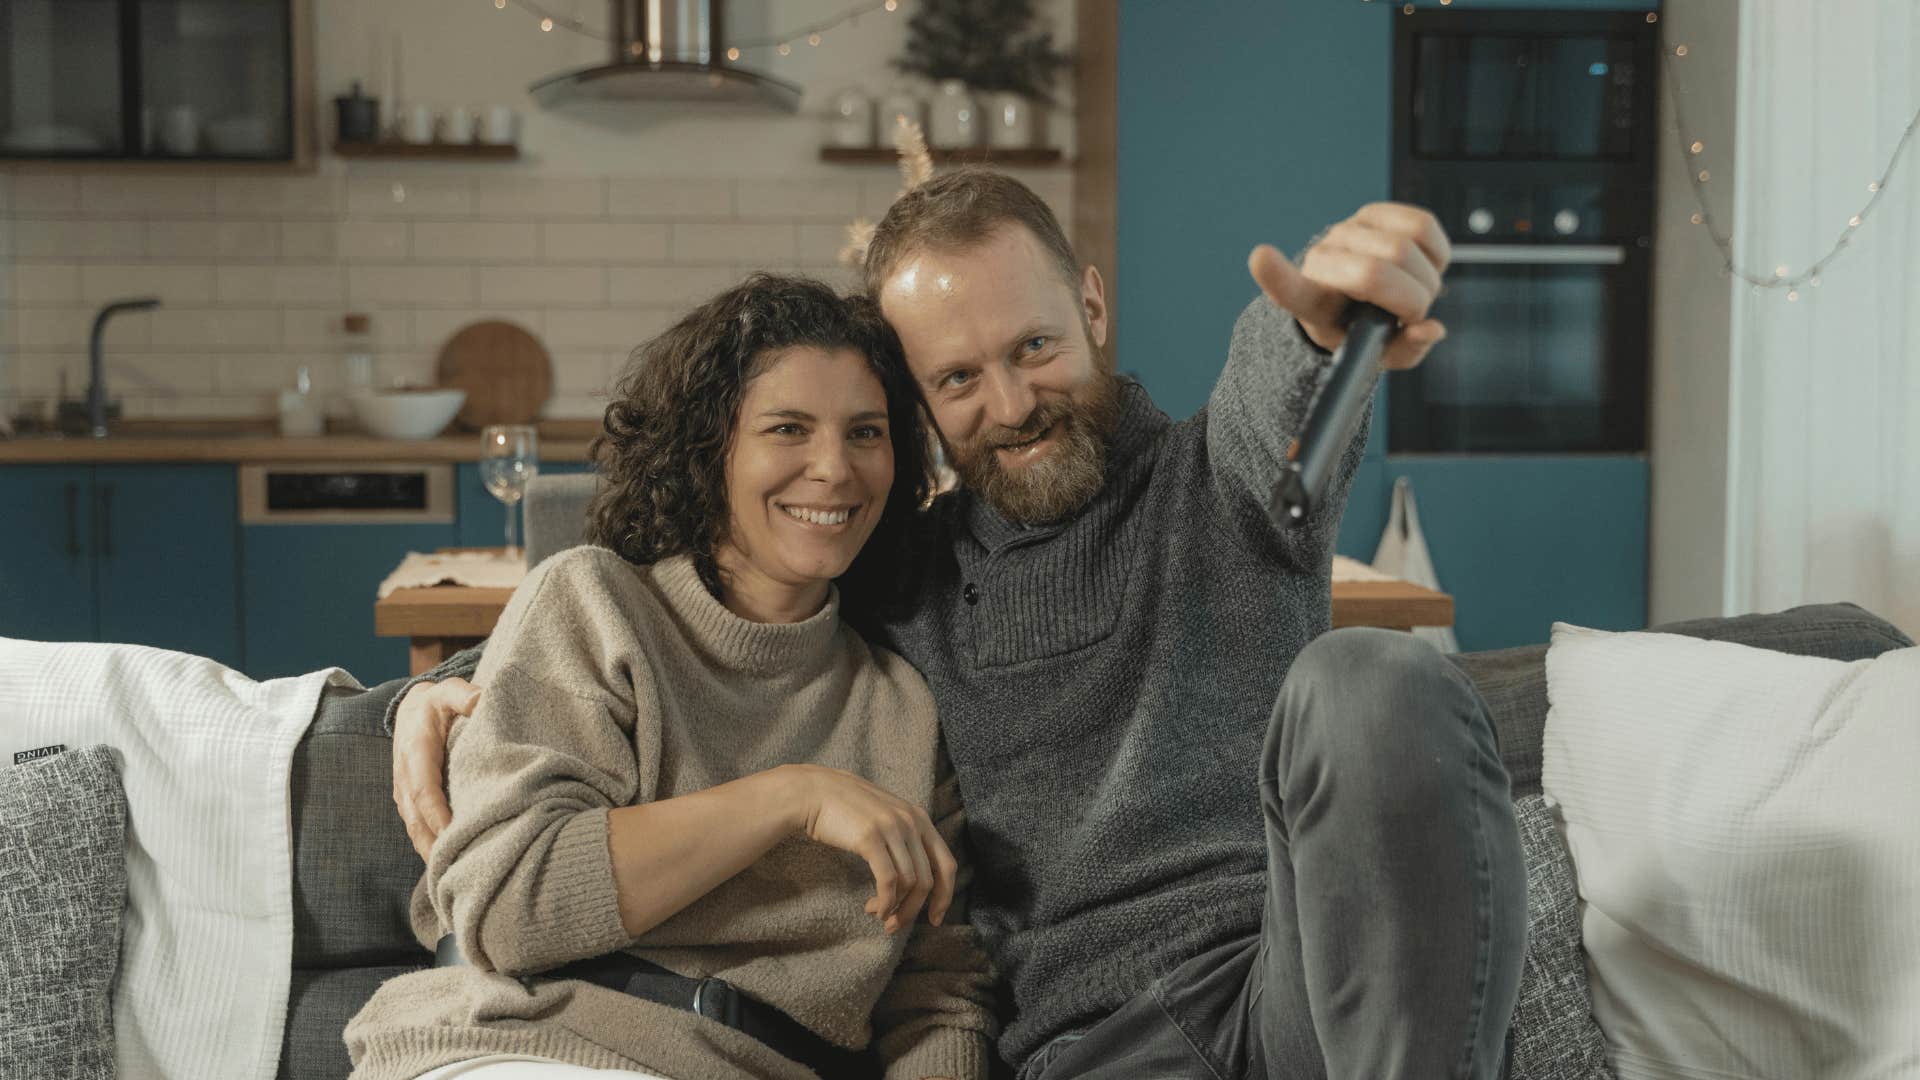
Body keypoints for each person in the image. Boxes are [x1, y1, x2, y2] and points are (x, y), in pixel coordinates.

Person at [390, 172, 1527, 1080]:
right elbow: (707, 605)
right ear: (921, 405)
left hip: (1295, 997)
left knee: (1374, 679)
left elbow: (1275, 386)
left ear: (1090, 304)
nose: (1013, 403)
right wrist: (443, 689)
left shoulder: (1220, 487)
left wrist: (1323, 333)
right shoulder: (905, 577)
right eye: (959, 379)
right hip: (1096, 1050)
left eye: (1033, 348)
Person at [346, 276, 996, 1080]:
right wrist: (790, 798)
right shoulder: (593, 604)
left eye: (866, 433)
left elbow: (937, 998)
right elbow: (510, 906)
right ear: (708, 450)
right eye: (787, 428)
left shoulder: (902, 707)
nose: (834, 468)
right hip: (526, 1045)